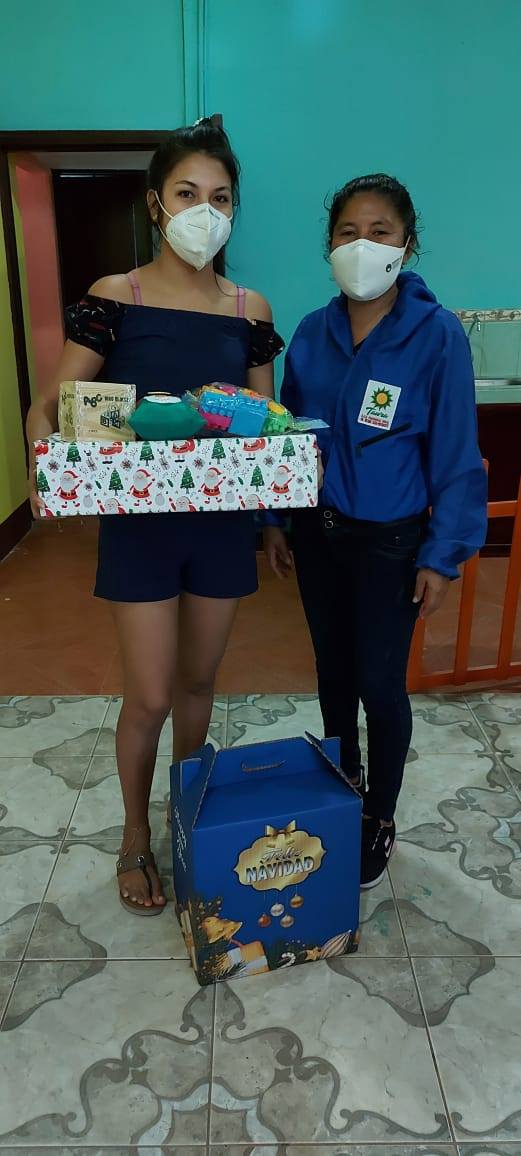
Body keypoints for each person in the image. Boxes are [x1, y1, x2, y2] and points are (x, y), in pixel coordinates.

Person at [27, 119, 283, 915]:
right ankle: (134, 835)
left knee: (200, 683)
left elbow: (265, 425)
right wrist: (47, 465)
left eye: (220, 198)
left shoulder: (249, 308)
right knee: (148, 696)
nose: (204, 211)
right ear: (154, 204)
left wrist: (273, 517)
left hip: (220, 526)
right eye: (187, 193)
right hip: (140, 527)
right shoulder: (117, 297)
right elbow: (52, 406)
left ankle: (186, 819)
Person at [264, 173, 487, 889]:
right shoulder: (311, 332)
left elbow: (454, 451)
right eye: (347, 233)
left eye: (379, 232)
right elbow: (286, 436)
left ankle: (378, 814)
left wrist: (443, 556)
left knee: (378, 683)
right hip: (316, 531)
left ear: (406, 244)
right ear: (329, 246)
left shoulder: (435, 334)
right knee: (332, 673)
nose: (362, 246)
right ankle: (343, 786)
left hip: (390, 539)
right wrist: (276, 520)